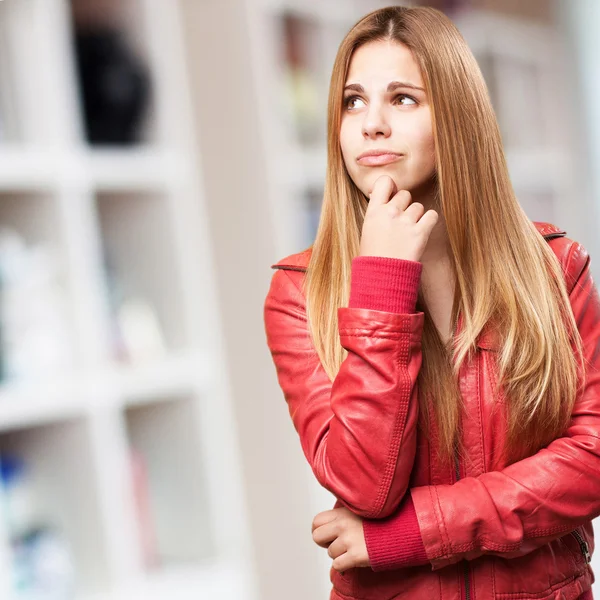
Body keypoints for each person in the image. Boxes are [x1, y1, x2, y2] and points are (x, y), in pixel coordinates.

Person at [263, 6, 599, 599]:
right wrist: (383, 282)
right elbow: (368, 486)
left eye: (402, 99)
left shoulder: (554, 269)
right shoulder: (297, 294)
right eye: (353, 101)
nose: (371, 125)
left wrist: (412, 534)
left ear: (459, 119)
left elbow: (591, 460)